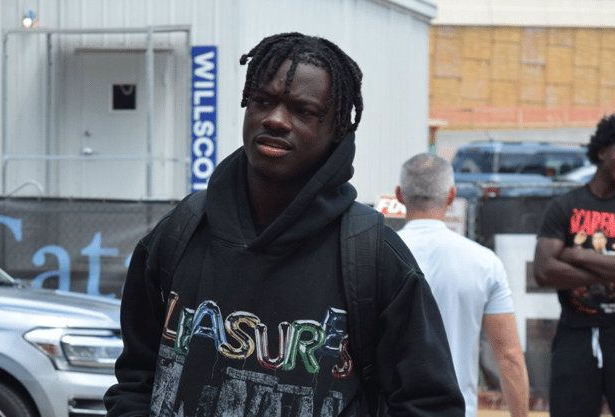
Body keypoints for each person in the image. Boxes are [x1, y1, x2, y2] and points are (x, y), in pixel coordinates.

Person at [103, 33, 464, 417]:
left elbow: (429, 404)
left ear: (338, 130)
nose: (275, 119)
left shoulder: (371, 255)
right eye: (262, 101)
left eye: (303, 111)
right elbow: (137, 377)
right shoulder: (182, 230)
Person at [395, 153, 530, 417]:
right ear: (451, 196)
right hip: (457, 410)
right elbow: (510, 355)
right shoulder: (484, 262)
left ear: (399, 196)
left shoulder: (375, 255)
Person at [533, 113, 615, 417]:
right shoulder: (565, 206)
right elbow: (544, 271)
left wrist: (579, 255)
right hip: (574, 336)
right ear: (602, 152)